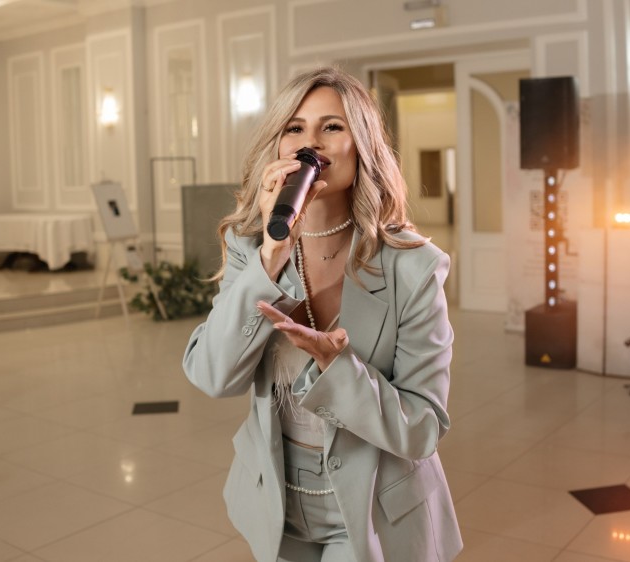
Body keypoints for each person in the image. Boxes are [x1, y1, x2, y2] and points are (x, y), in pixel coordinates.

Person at [182, 66, 462, 562]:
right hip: (276, 503)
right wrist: (270, 258)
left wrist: (338, 369)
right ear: (278, 146)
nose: (310, 141)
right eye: (295, 128)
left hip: (375, 508)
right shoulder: (251, 249)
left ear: (362, 145)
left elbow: (422, 428)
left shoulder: (414, 266)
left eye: (331, 126)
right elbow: (212, 376)